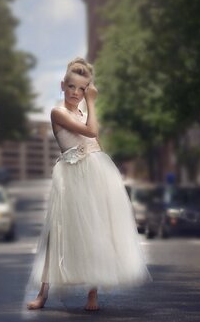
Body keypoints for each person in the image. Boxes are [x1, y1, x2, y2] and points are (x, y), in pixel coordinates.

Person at [25, 57, 152, 312]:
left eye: (82, 89)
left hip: (94, 173)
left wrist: (109, 176)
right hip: (71, 175)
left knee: (95, 230)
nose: (76, 93)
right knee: (57, 231)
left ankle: (92, 295)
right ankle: (43, 293)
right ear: (63, 85)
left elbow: (96, 142)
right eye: (72, 86)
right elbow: (91, 132)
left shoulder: (83, 112)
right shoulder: (57, 112)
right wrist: (93, 101)